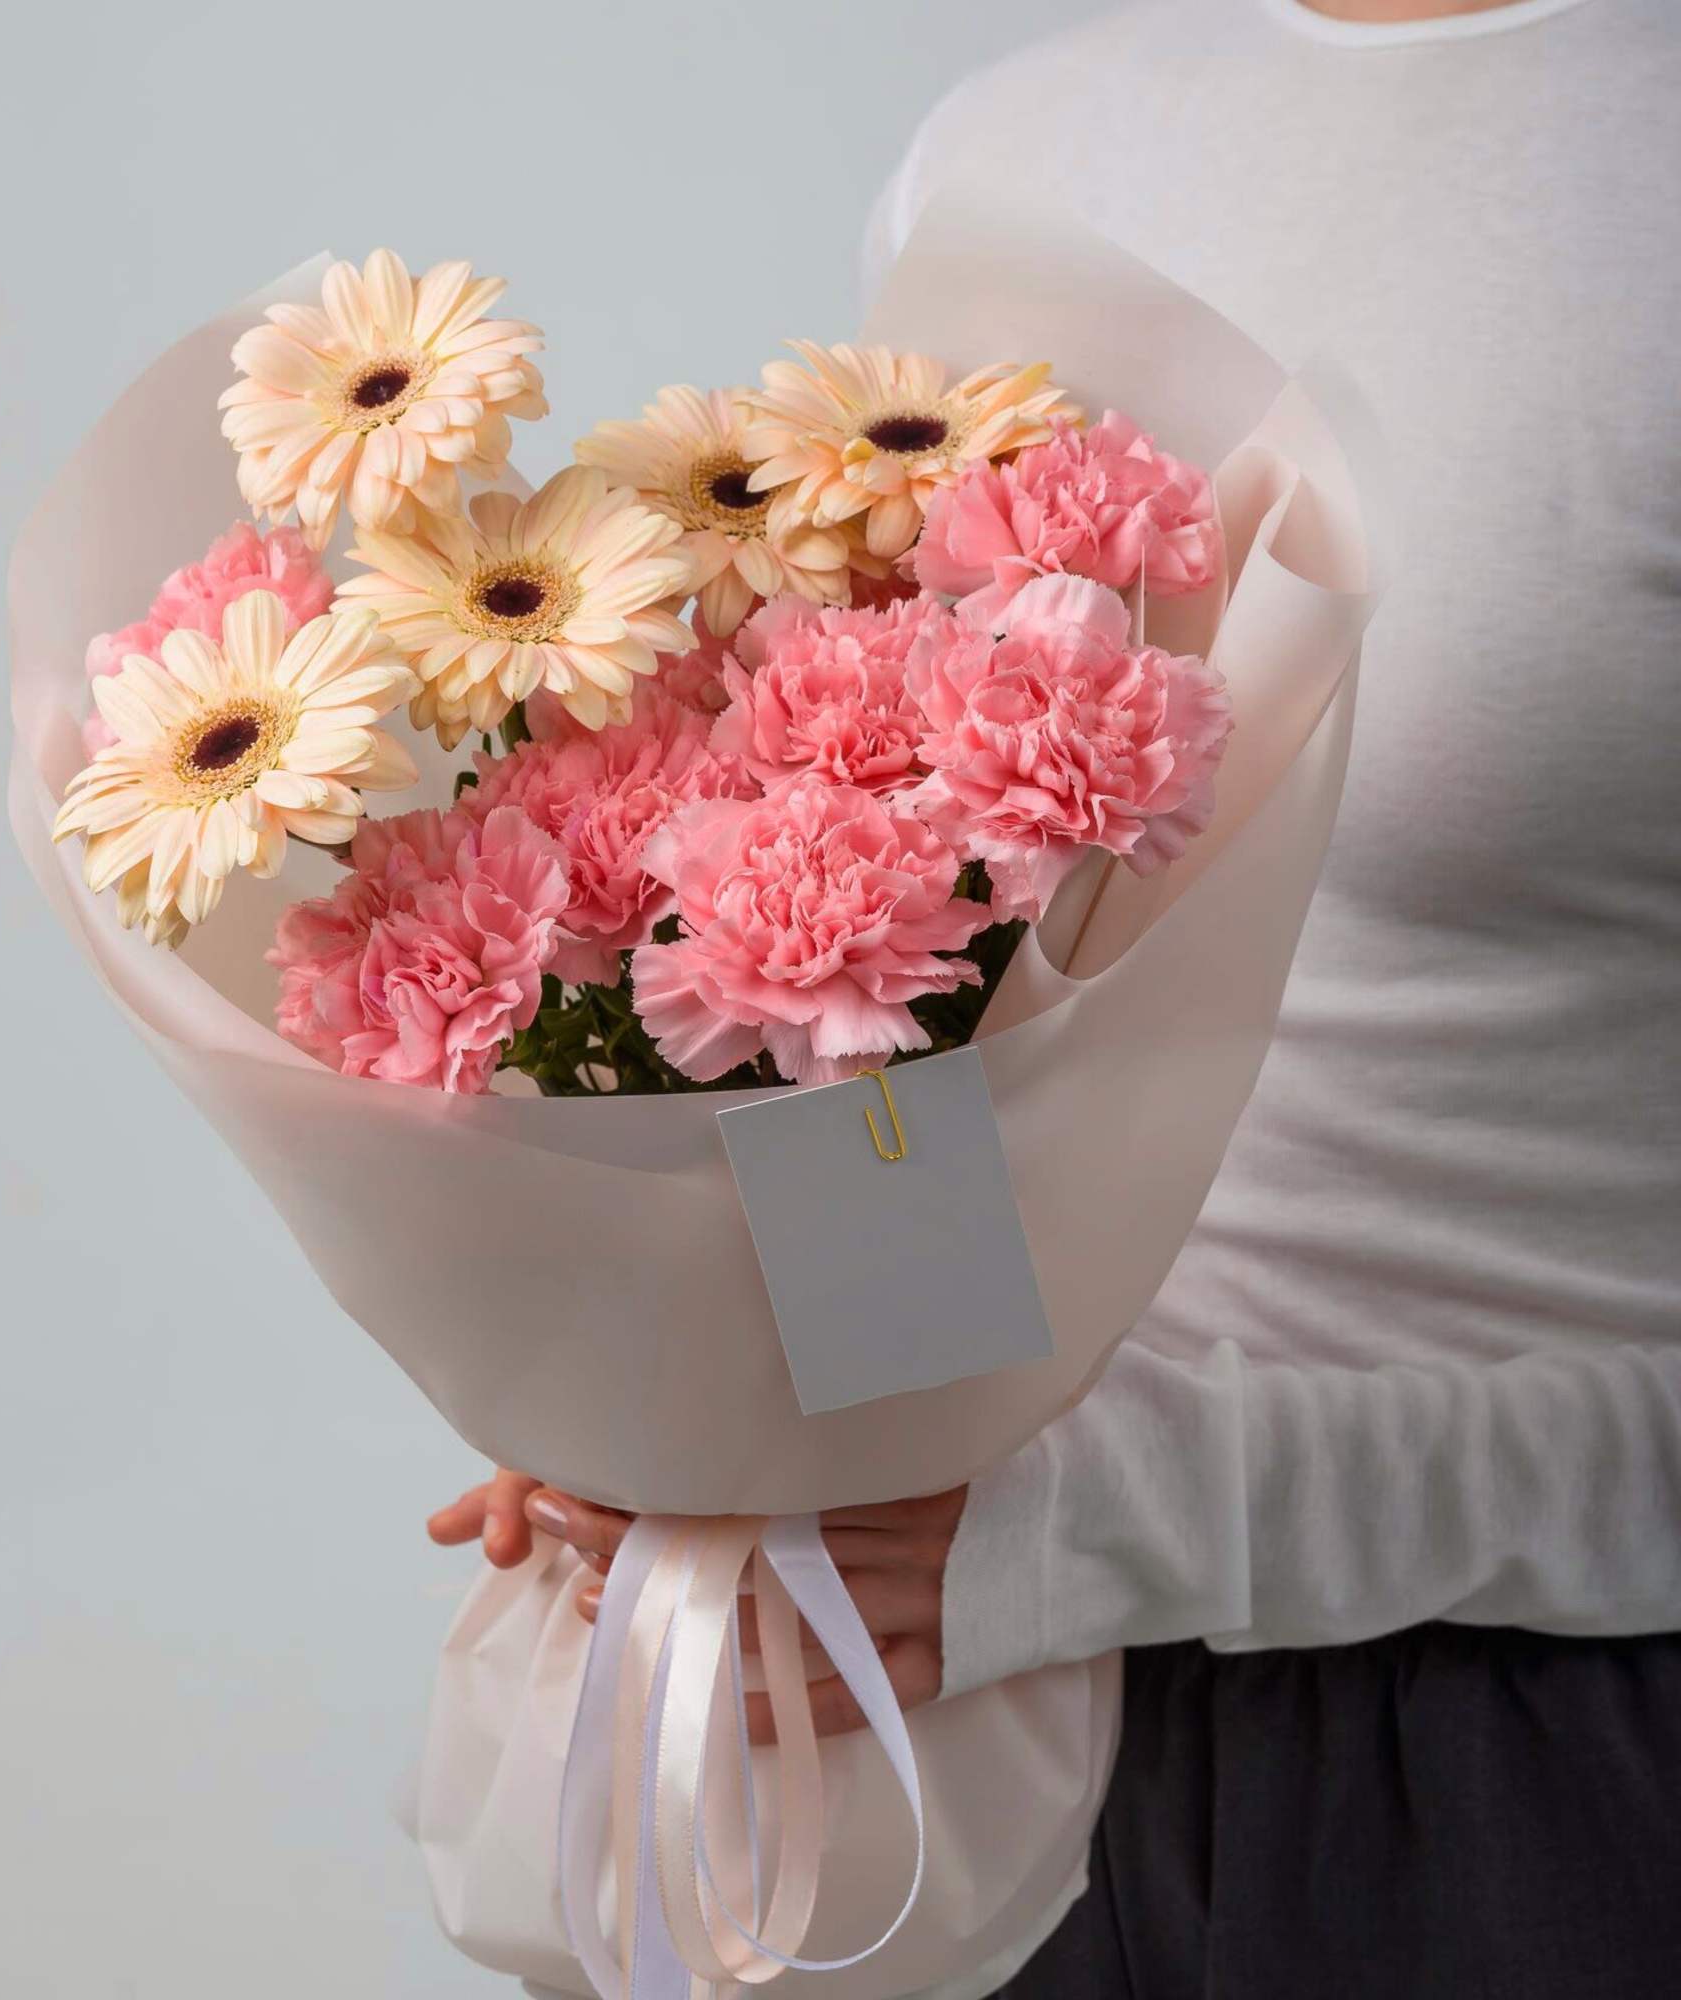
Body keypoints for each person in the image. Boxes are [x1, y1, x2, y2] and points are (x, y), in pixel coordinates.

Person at [429, 1, 1681, 1991]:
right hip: (944, 1719)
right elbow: (935, 976)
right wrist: (694, 1389)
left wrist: (1132, 1522)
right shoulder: (1010, 152)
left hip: (1528, 1764)